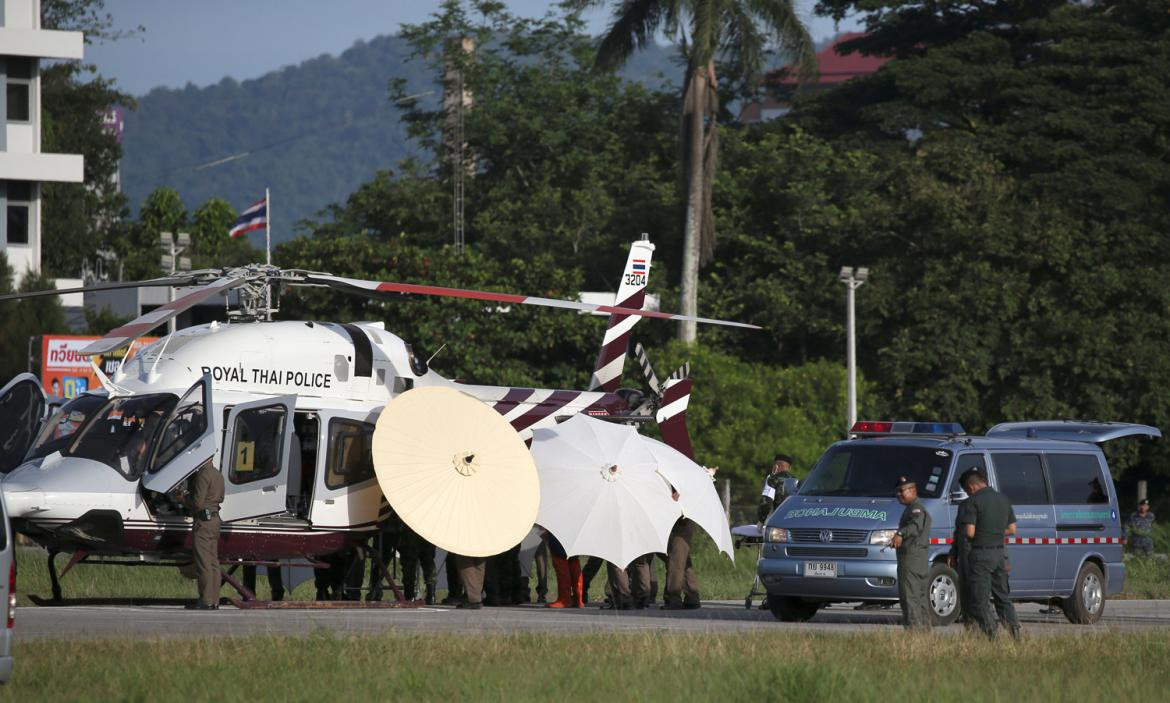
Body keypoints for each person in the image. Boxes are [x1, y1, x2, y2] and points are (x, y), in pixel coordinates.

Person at [962, 469, 1021, 639]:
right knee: (1002, 596)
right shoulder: (1003, 499)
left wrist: (982, 532)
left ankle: (991, 633)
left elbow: (970, 532)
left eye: (967, 489)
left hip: (981, 555)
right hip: (999, 554)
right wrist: (994, 532)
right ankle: (1014, 632)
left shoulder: (973, 502)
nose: (968, 492)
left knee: (980, 598)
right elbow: (1012, 529)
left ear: (972, 486)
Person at [182, 460, 224, 610]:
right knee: (214, 562)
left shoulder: (203, 474)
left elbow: (198, 503)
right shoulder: (218, 475)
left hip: (203, 522)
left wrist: (184, 499)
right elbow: (221, 498)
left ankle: (206, 600)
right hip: (215, 520)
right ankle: (214, 600)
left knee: (203, 562)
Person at [892, 475, 932, 630]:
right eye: (897, 492)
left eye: (902, 491)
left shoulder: (916, 509)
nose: (899, 495)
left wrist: (900, 533)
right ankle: (923, 632)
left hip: (912, 560)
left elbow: (915, 527)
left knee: (910, 596)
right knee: (919, 597)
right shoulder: (913, 508)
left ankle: (914, 631)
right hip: (917, 559)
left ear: (913, 490)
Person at [947, 470, 977, 628]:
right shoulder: (965, 506)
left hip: (977, 556)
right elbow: (958, 531)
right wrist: (953, 551)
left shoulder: (984, 503)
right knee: (965, 593)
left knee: (977, 594)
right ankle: (970, 627)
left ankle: (983, 629)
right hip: (965, 555)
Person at [663, 487, 701, 610]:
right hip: (681, 517)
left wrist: (678, 495)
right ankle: (692, 595)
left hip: (682, 517)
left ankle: (673, 598)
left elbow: (682, 492)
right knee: (682, 559)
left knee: (676, 560)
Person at [544, 531, 584, 609]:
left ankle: (564, 600)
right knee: (573, 561)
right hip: (574, 530)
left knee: (560, 560)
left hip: (558, 530)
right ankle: (578, 599)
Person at [757, 454, 797, 526]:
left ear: (775, 466)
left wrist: (761, 520)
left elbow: (766, 503)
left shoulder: (772, 480)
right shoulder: (797, 481)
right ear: (789, 468)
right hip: (795, 521)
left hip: (778, 521)